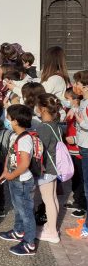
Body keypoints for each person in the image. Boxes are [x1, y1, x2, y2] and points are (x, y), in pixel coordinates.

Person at [0, 104, 37, 256]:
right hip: (14, 179)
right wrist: (5, 171)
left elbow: (25, 163)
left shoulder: (25, 139)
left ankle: (29, 243)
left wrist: (11, 175)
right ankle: (18, 231)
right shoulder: (15, 135)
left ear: (15, 121)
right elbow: (10, 154)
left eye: (8, 117)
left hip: (22, 181)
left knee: (26, 212)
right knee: (18, 208)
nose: (6, 120)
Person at [35, 93, 62, 244]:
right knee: (52, 198)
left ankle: (52, 232)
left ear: (43, 109)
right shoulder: (55, 125)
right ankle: (52, 227)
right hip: (54, 167)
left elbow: (40, 150)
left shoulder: (43, 127)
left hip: (46, 169)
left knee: (48, 200)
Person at [66, 70, 88, 239]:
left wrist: (82, 122)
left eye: (78, 84)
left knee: (87, 188)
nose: (75, 87)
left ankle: (86, 226)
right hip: (82, 145)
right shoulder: (84, 102)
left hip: (86, 147)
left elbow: (85, 124)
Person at [64, 88, 86, 218]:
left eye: (68, 99)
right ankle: (77, 200)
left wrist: (75, 139)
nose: (66, 101)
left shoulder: (81, 112)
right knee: (75, 177)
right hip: (70, 150)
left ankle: (83, 206)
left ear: (76, 100)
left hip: (79, 150)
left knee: (82, 179)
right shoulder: (69, 111)